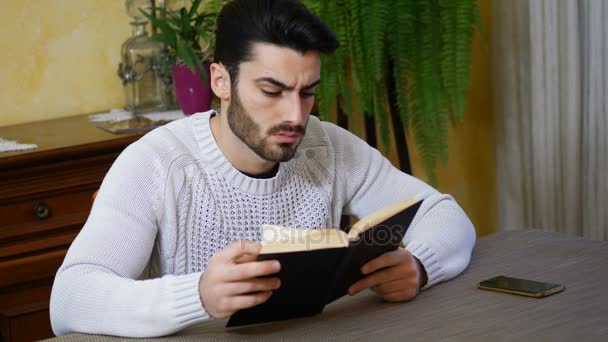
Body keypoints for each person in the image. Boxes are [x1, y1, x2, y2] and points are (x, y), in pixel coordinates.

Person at [50, 0, 475, 337]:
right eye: (272, 90)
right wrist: (197, 295)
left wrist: (420, 265)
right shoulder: (156, 164)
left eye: (307, 92)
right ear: (221, 81)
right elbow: (69, 300)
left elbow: (443, 213)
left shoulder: (326, 145)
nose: (295, 115)